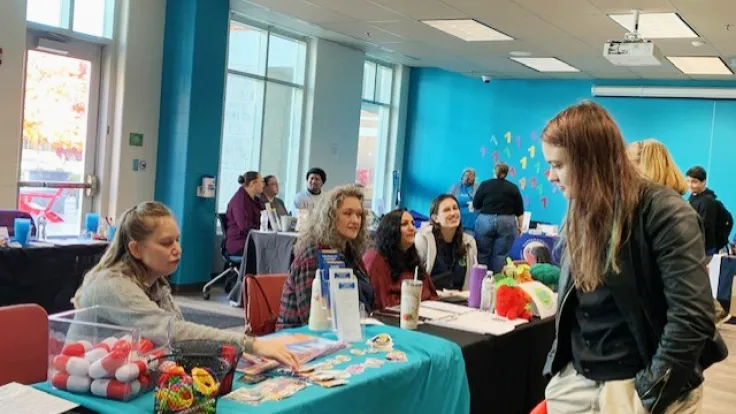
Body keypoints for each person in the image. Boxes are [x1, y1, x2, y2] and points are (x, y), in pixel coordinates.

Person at [541, 101, 725, 414]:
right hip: (580, 381)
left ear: (590, 161)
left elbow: (692, 316)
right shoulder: (580, 210)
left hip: (638, 386)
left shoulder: (666, 212)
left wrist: (648, 394)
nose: (550, 176)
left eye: (558, 165)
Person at [73, 201, 298, 368]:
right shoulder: (113, 285)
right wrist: (249, 344)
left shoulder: (154, 282)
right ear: (135, 249)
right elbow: (174, 333)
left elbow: (176, 341)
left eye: (177, 240)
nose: (177, 249)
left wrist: (232, 350)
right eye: (166, 243)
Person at [628, 140, 730, 325]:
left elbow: (685, 303)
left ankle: (716, 311)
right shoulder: (683, 202)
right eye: (689, 180)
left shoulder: (678, 210)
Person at [278, 185, 375, 329]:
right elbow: (312, 317)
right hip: (299, 337)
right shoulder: (313, 253)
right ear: (330, 216)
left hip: (346, 330)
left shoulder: (350, 251)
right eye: (347, 213)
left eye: (359, 214)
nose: (355, 220)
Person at [364, 209, 438, 310]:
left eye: (412, 224)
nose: (412, 228)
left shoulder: (412, 258)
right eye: (404, 224)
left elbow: (431, 295)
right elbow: (382, 303)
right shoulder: (376, 259)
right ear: (391, 229)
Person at [415, 195, 478, 291]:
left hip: (459, 301)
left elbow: (470, 283)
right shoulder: (423, 239)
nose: (453, 213)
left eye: (455, 208)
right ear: (435, 218)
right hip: (429, 299)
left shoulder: (469, 243)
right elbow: (414, 277)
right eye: (446, 210)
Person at [473, 162, 524, 273]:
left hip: (485, 219)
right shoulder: (513, 188)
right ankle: (496, 283)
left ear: (494, 171)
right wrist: (520, 226)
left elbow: (475, 204)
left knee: (482, 253)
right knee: (500, 255)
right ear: (506, 173)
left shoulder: (485, 184)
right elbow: (520, 211)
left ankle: (480, 281)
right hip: (507, 221)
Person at [225, 171, 264, 256]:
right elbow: (245, 226)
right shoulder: (240, 201)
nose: (263, 185)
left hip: (253, 240)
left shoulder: (256, 200)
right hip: (240, 243)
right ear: (253, 183)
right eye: (261, 181)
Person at [686, 166, 722, 255]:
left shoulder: (707, 202)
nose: (690, 185)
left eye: (694, 182)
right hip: (695, 245)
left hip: (703, 249)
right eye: (688, 181)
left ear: (704, 182)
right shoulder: (694, 196)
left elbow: (703, 227)